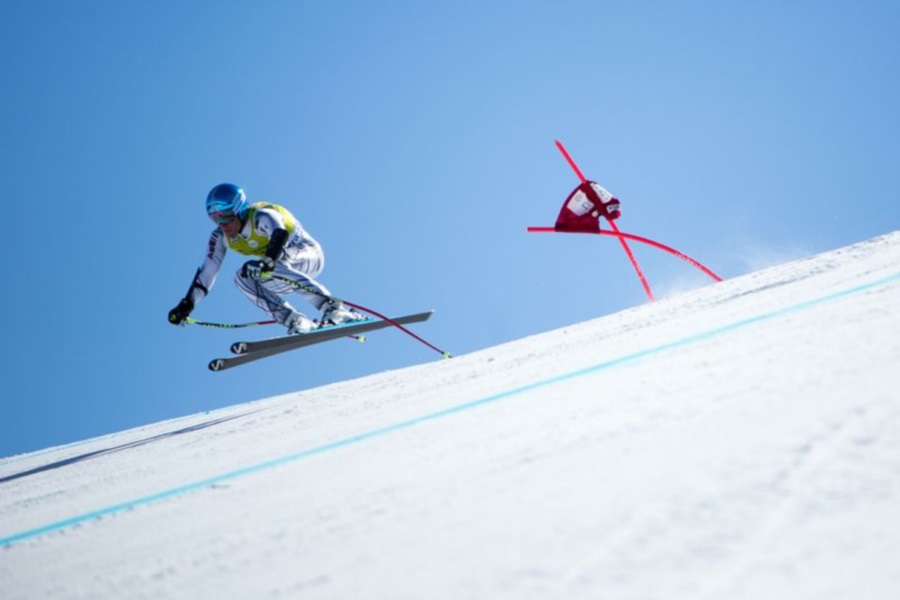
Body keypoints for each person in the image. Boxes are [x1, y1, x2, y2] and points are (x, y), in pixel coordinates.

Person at [168, 183, 364, 334]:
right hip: (282, 275)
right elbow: (208, 271)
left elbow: (279, 234)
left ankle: (334, 308)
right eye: (215, 219)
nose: (222, 224)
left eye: (226, 216)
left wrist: (267, 261)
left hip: (307, 255)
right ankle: (294, 320)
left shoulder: (261, 215)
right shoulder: (219, 237)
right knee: (241, 277)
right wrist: (188, 304)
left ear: (238, 209)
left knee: (268, 265)